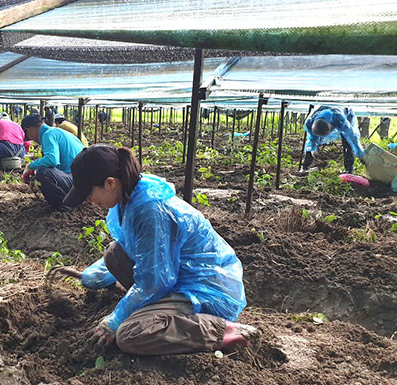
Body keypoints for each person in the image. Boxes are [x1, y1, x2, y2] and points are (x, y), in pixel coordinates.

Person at [61, 144, 257, 355]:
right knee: (114, 253)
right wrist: (93, 275)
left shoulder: (150, 210)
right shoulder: (128, 196)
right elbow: (131, 248)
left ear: (110, 183)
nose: (89, 201)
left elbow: (156, 281)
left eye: (89, 193)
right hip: (177, 275)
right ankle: (157, 311)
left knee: (130, 335)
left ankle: (225, 332)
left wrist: (116, 319)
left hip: (206, 287)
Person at [20, 113, 85, 211]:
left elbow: (52, 160)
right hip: (85, 181)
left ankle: (64, 206)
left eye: (28, 136)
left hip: (77, 182)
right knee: (43, 172)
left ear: (28, 129)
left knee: (43, 173)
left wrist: (30, 166)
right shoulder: (57, 132)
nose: (31, 139)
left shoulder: (47, 135)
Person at [300, 106, 365, 174]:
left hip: (344, 112)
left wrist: (361, 154)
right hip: (322, 118)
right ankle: (305, 167)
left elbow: (353, 138)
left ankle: (349, 170)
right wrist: (312, 149)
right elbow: (311, 139)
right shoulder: (309, 122)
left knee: (347, 142)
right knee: (312, 141)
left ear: (331, 128)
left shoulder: (340, 120)